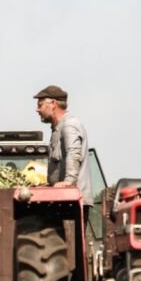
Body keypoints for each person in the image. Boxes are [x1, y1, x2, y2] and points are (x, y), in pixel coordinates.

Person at [33, 85, 93, 213]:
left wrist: (69, 181)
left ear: (53, 104)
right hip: (63, 199)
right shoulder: (57, 129)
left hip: (73, 201)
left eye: (40, 105)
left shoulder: (69, 125)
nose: (37, 110)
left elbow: (73, 153)